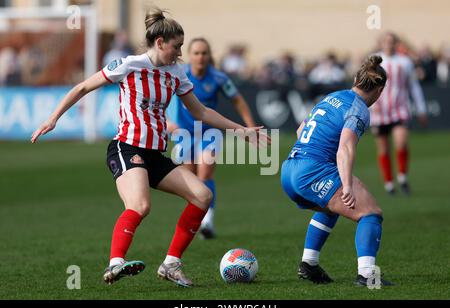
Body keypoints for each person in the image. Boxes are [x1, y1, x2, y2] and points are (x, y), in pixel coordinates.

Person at [31, 8, 268, 288]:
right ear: (160, 43)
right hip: (127, 148)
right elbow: (83, 87)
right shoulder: (129, 65)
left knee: (202, 196)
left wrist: (240, 130)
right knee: (140, 205)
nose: (180, 53)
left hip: (155, 155)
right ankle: (116, 262)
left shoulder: (176, 73)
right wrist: (53, 118)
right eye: (177, 47)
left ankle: (171, 264)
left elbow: (201, 112)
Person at [281, 55, 393, 286]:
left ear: (355, 79)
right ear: (380, 90)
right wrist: (347, 185)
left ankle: (309, 264)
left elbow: (301, 130)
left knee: (330, 207)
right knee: (370, 213)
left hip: (289, 171)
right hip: (312, 171)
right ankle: (368, 275)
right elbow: (345, 148)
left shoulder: (332, 96)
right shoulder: (359, 109)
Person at [167, 37, 257, 239]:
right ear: (189, 56)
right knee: (191, 181)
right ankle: (196, 219)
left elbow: (238, 101)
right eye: (197, 53)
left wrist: (249, 127)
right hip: (184, 133)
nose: (200, 57)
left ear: (209, 56)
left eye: (204, 53)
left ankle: (207, 222)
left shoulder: (218, 78)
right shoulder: (179, 75)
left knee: (205, 173)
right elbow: (160, 98)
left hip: (210, 132)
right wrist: (166, 122)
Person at [371, 32, 428, 195]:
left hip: (400, 110)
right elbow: (367, 86)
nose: (389, 44)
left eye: (392, 42)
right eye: (386, 41)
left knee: (401, 143)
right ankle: (389, 183)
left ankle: (402, 177)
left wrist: (421, 109)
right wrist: (367, 108)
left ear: (396, 43)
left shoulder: (405, 62)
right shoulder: (374, 60)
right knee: (383, 149)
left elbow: (414, 87)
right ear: (381, 43)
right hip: (379, 112)